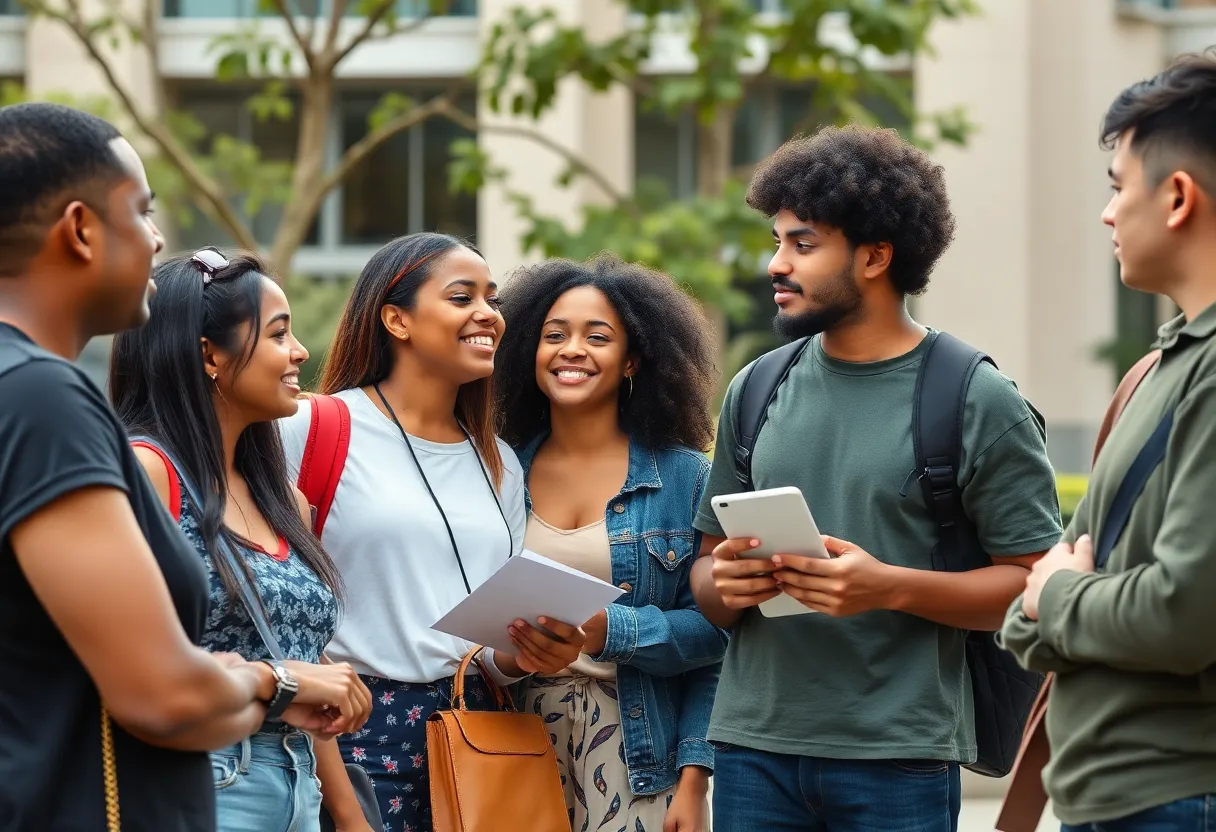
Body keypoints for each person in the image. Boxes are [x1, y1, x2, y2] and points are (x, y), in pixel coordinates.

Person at [689, 124, 1064, 832]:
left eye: (802, 244)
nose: (776, 263)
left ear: (875, 256)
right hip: (751, 748)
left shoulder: (975, 396)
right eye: (776, 240)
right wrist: (724, 586)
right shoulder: (757, 387)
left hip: (900, 755)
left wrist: (886, 586)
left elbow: (1033, 589)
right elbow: (706, 576)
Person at [0, 102, 356, 832]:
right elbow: (163, 694)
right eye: (142, 211)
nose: (158, 239)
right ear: (79, 229)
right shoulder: (40, 397)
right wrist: (270, 678)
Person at [277, 232, 587, 832]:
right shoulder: (312, 427)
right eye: (461, 296)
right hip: (351, 736)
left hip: (478, 735)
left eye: (492, 299)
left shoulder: (499, 460)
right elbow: (275, 611)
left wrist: (527, 653)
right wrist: (343, 807)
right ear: (396, 319)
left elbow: (489, 650)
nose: (488, 315)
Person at [1000, 51, 1216, 832]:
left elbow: (1182, 614)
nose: (1107, 213)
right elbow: (1023, 618)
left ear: (1179, 197)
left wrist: (1059, 595)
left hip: (1174, 797)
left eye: (1119, 187)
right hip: (1116, 797)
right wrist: (1051, 598)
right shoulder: (1164, 367)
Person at [109, 249, 374, 832]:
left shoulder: (284, 496)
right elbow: (117, 656)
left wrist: (350, 817)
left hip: (296, 781)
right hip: (197, 779)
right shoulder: (148, 473)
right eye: (279, 333)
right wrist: (286, 680)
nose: (301, 351)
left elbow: (297, 660)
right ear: (209, 354)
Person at [494, 255, 728, 832]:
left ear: (632, 360)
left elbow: (718, 638)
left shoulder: (684, 477)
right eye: (554, 335)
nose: (572, 349)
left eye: (597, 337)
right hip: (514, 739)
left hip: (638, 747)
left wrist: (694, 782)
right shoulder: (495, 471)